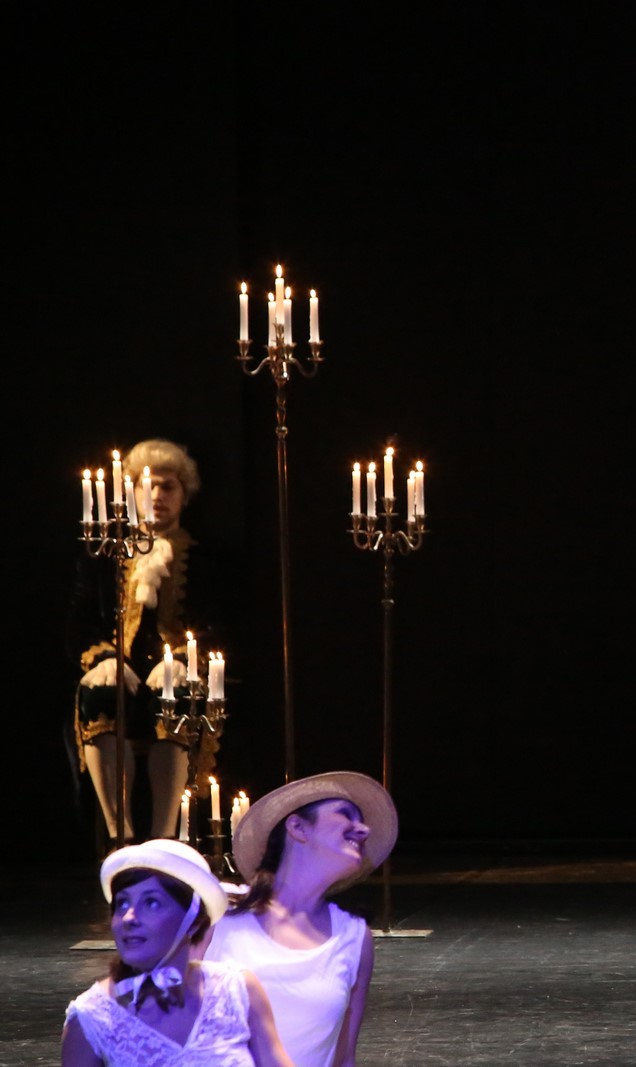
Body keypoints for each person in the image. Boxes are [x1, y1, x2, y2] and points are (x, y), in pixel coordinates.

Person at [68, 438, 224, 843]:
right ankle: (119, 836)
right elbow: (79, 622)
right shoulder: (103, 557)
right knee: (99, 696)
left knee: (174, 699)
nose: (157, 496)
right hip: (118, 672)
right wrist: (105, 658)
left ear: (184, 494)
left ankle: (163, 838)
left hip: (175, 672)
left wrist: (180, 661)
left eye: (168, 486)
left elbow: (216, 624)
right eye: (147, 486)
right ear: (131, 492)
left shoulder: (207, 561)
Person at [204, 771, 397, 1066]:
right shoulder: (220, 911)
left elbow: (344, 1058)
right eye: (346, 814)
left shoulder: (354, 937)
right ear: (297, 827)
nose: (363, 829)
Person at [62, 839, 293, 1067]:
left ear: (194, 922)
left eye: (151, 903)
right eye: (122, 903)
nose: (129, 918)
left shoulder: (236, 989)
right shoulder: (90, 1017)